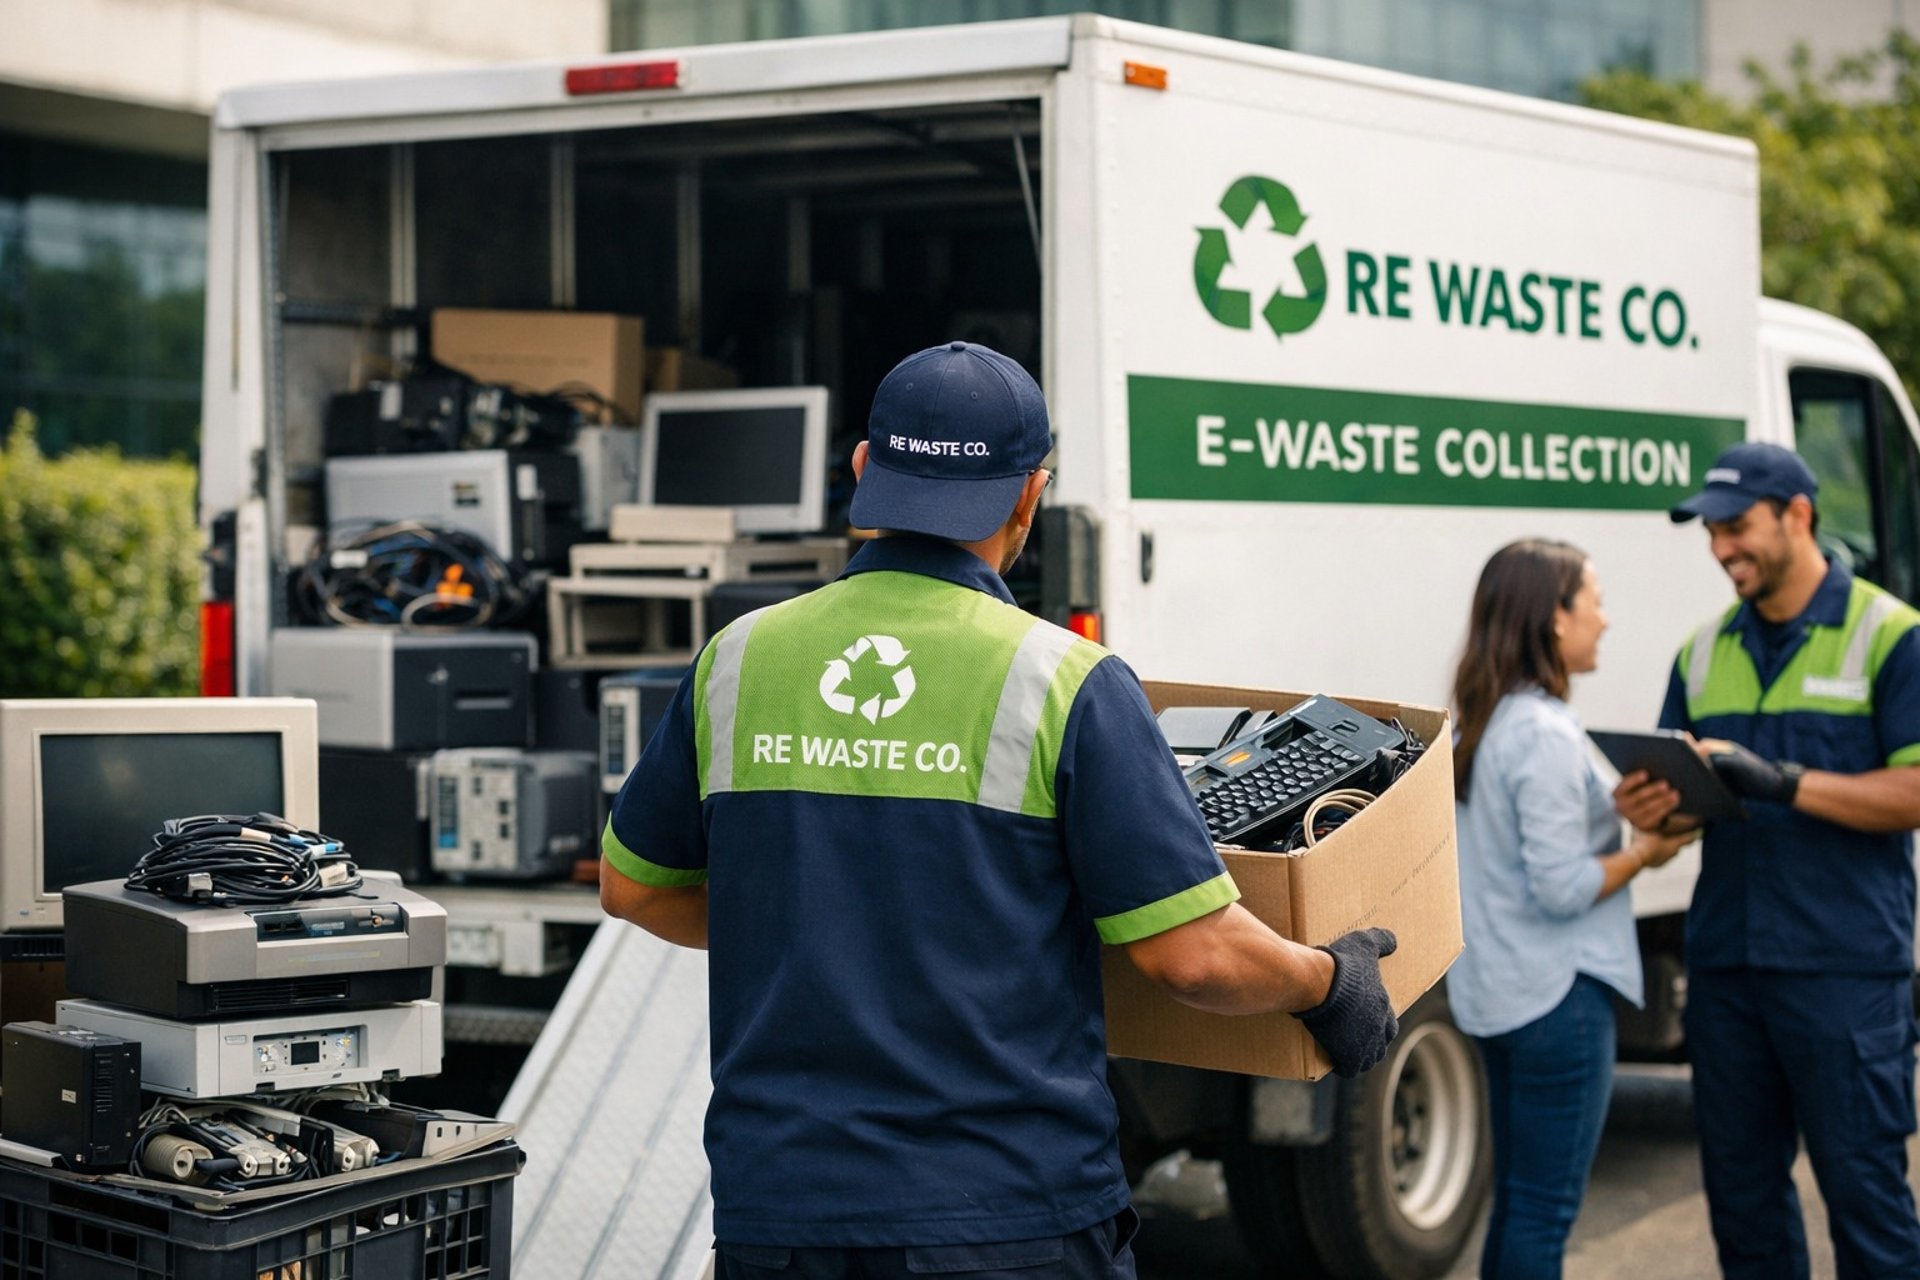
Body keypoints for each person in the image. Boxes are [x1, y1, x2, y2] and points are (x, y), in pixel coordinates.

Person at [598, 340, 1400, 1280]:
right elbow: (1190, 953)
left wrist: (823, 930)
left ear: (863, 470)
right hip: (1004, 1214)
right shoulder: (1068, 681)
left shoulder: (738, 658)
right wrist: (1325, 983)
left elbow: (633, 890)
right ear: (1031, 494)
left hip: (781, 1212)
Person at [1616, 441, 1920, 1279]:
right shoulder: (1701, 652)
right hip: (1729, 973)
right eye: (1711, 532)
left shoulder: (1890, 635)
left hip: (1845, 973)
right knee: (1744, 1212)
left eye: (1736, 527)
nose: (1721, 550)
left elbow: (1916, 790)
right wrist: (1653, 816)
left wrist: (1783, 783)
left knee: (1868, 1207)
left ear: (1798, 515)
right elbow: (1677, 811)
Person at [1449, 539, 1695, 1280]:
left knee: (1519, 1205)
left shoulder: (1485, 722)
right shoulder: (1545, 732)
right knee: (1544, 1212)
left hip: (1499, 994)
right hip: (1558, 997)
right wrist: (1647, 852)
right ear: (1555, 619)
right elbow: (1560, 887)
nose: (1607, 621)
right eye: (1595, 602)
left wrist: (1610, 808)